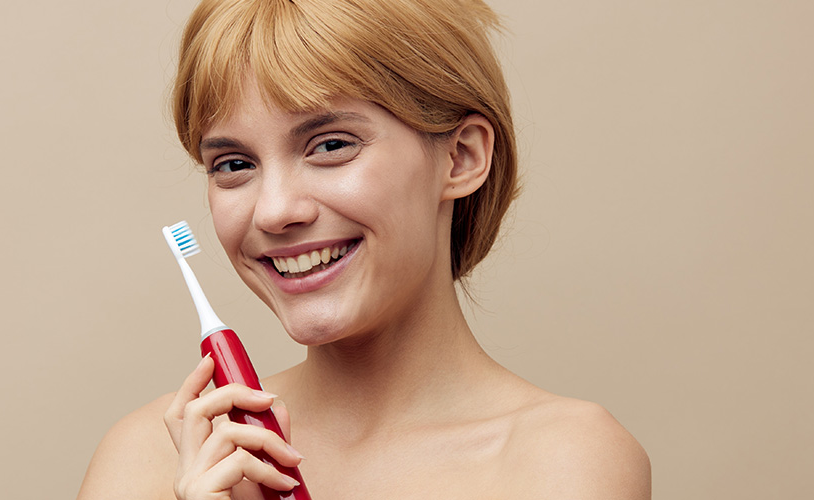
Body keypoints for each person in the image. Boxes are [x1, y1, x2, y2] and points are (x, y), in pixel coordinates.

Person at [77, 0, 651, 498]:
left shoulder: (564, 460)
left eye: (330, 145)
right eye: (233, 164)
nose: (275, 211)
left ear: (461, 157)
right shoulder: (148, 457)